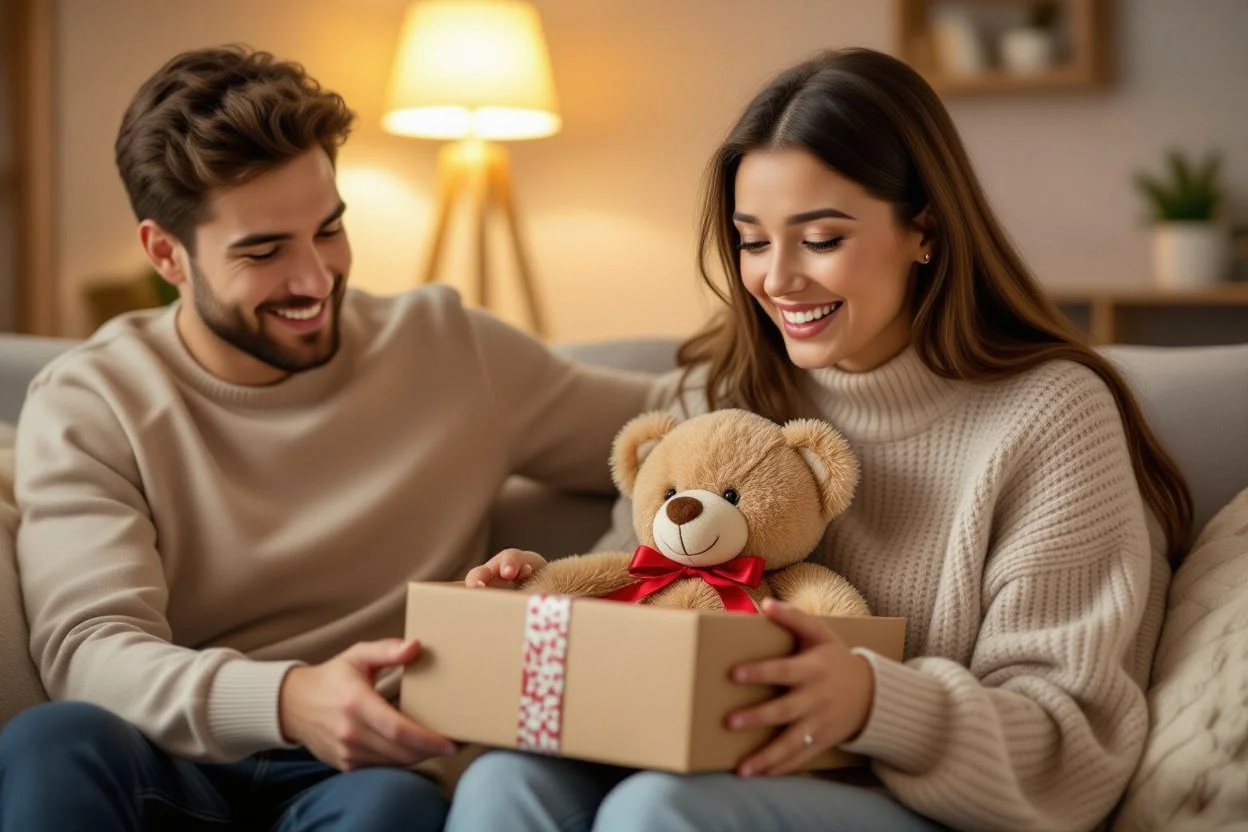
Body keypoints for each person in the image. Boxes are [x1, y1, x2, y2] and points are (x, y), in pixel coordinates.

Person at [453, 47, 1192, 832]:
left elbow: (1072, 751)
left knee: (657, 811)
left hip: (923, 807)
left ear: (925, 232)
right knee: (506, 782)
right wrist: (544, 598)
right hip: (709, 773)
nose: (777, 279)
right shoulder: (716, 392)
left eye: (822, 239)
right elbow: (640, 593)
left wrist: (877, 702)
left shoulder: (1048, 417)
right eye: (752, 241)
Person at [0, 45, 656, 831]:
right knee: (54, 741)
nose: (315, 280)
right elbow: (92, 649)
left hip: (373, 764)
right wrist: (286, 698)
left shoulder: (448, 348)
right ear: (166, 253)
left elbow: (671, 435)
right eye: (264, 251)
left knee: (393, 804)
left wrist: (577, 582)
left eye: (329, 230)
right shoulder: (91, 400)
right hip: (175, 757)